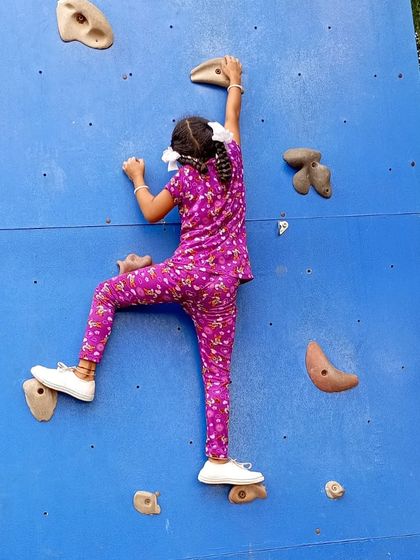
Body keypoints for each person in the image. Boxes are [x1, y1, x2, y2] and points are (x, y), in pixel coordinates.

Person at [31, 55, 264, 486]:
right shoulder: (233, 158)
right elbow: (232, 116)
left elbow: (152, 214)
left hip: (184, 275)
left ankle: (83, 375)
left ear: (179, 156)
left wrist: (138, 176)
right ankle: (217, 460)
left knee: (106, 293)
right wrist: (235, 80)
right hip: (223, 288)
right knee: (217, 372)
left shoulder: (181, 183)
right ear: (215, 144)